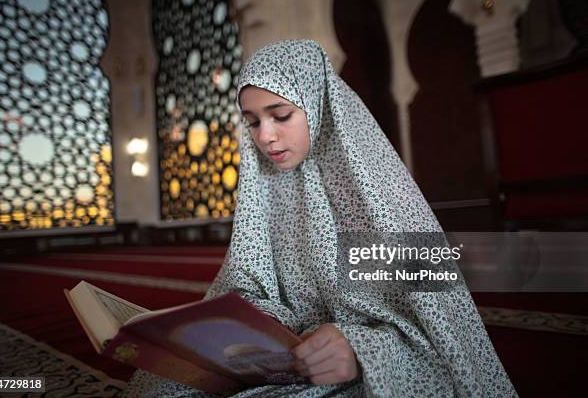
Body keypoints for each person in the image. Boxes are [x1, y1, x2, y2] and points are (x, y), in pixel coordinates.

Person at [123, 39, 516, 397]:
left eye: (280, 115)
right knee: (163, 384)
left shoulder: (380, 192)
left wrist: (360, 349)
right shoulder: (267, 188)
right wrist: (260, 326)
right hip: (290, 356)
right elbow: (248, 284)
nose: (266, 137)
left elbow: (448, 333)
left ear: (316, 104)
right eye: (253, 121)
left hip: (377, 366)